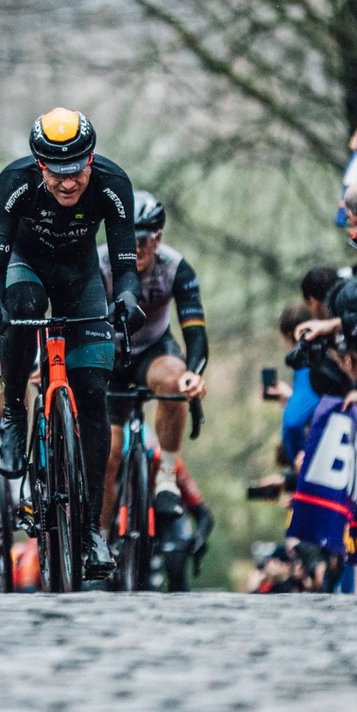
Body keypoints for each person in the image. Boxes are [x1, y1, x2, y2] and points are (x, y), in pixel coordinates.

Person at [0, 107, 140, 580]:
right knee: (21, 303)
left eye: (77, 171)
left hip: (80, 278)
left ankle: (88, 530)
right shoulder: (15, 181)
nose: (68, 183)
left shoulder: (112, 183)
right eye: (56, 173)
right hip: (26, 267)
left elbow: (125, 264)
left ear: (91, 159)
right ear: (39, 165)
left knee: (92, 394)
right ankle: (13, 414)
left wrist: (126, 296)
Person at [98, 191, 208, 523]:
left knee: (176, 379)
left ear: (157, 238)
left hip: (152, 351)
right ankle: (102, 539)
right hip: (107, 356)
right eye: (126, 238)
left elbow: (195, 331)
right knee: (108, 454)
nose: (135, 246)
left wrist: (194, 373)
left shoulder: (176, 268)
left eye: (143, 239)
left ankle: (166, 479)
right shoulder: (99, 264)